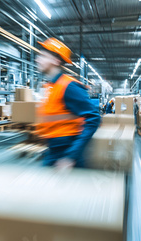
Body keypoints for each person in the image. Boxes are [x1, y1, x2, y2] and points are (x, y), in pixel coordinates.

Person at [35, 38, 101, 170]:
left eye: (43, 56)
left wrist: (71, 156)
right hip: (53, 149)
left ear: (55, 60)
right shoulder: (49, 86)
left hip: (66, 153)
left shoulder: (69, 86)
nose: (37, 59)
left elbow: (94, 118)